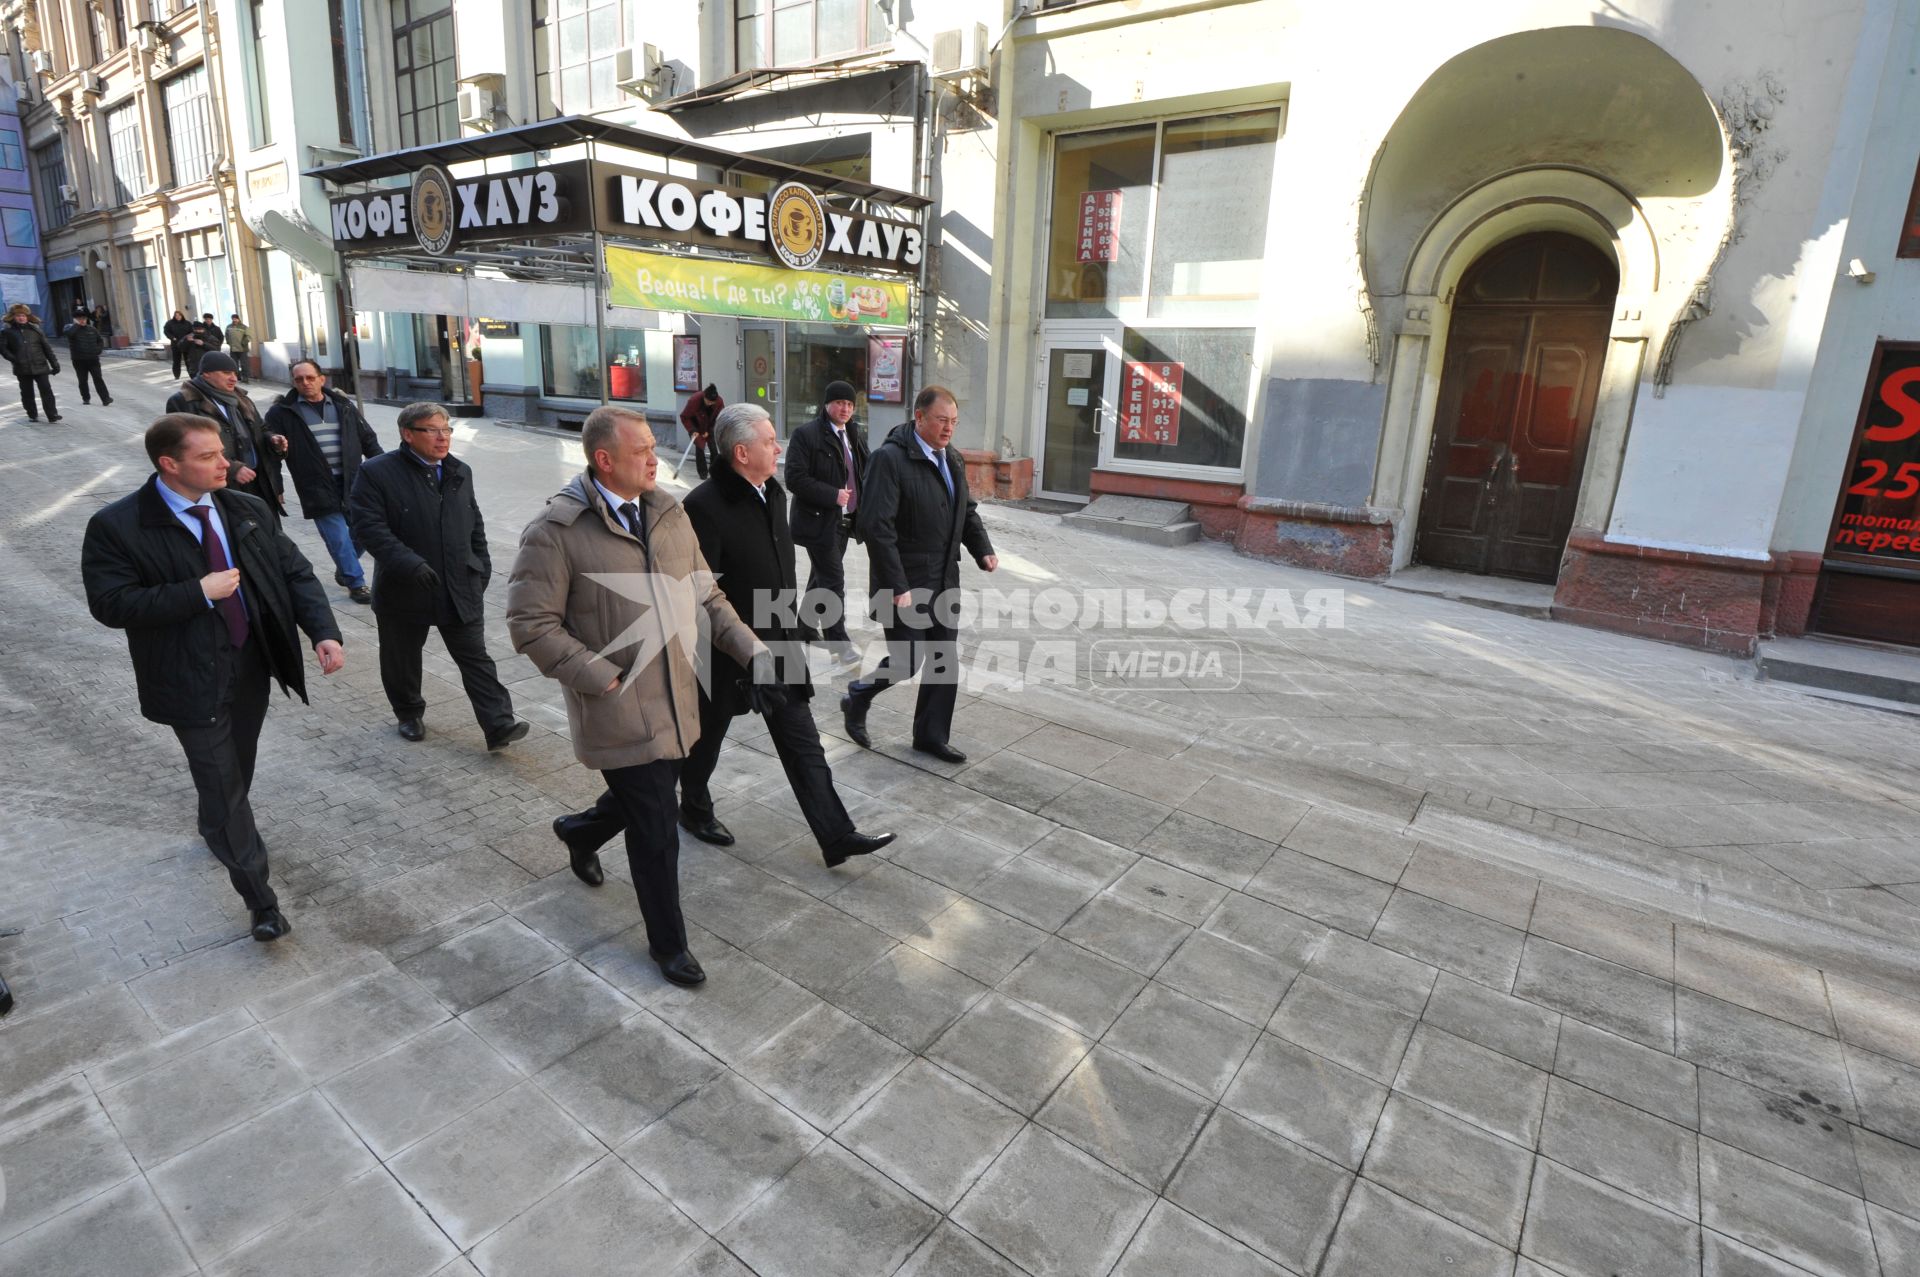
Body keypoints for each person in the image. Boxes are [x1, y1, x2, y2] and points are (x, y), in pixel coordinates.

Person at [556, 403, 895, 873]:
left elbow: (780, 573)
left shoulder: (773, 493)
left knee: (803, 745)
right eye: (769, 441)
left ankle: (836, 836)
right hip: (720, 656)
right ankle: (590, 828)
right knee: (685, 762)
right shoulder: (702, 508)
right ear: (741, 452)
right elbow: (696, 593)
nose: (779, 449)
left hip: (778, 645)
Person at [507, 405, 772, 987]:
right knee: (655, 828)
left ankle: (578, 832)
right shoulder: (556, 532)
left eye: (655, 447)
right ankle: (668, 947)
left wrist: (751, 649)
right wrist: (595, 674)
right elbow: (530, 623)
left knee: (646, 799)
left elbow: (708, 596)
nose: (657, 459)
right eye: (642, 451)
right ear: (604, 460)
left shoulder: (669, 512)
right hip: (619, 707)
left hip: (679, 699)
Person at [81, 414, 345, 941]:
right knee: (223, 786)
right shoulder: (117, 525)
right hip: (186, 679)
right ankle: (260, 900)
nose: (226, 463)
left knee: (234, 771)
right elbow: (110, 603)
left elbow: (293, 571)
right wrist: (198, 591)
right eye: (208, 457)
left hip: (251, 665)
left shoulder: (246, 508)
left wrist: (323, 630)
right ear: (169, 464)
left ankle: (217, 828)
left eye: (222, 452)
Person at [350, 401, 529, 749]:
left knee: (475, 655)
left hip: (459, 582)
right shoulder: (376, 472)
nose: (442, 438)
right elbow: (369, 528)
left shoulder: (460, 470)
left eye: (446, 430)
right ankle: (408, 713)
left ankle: (498, 725)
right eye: (432, 430)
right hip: (406, 585)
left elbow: (474, 522)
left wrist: (482, 566)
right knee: (401, 657)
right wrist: (409, 563)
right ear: (408, 434)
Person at [842, 385, 997, 763]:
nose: (948, 429)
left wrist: (983, 549)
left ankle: (930, 736)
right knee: (907, 660)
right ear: (920, 417)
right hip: (905, 581)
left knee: (944, 659)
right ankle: (858, 695)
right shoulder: (889, 459)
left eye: (954, 422)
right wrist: (897, 585)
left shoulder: (953, 459)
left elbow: (967, 511)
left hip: (944, 577)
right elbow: (876, 526)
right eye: (942, 420)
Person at [267, 358, 382, 605]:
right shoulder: (282, 412)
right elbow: (270, 450)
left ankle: (344, 568)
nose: (305, 383)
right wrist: (276, 484)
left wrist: (386, 471)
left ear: (322, 379)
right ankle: (356, 582)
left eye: (310, 378)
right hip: (315, 484)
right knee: (338, 536)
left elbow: (368, 439)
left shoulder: (344, 405)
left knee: (365, 529)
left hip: (354, 480)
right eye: (299, 379)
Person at [784, 379, 868, 666]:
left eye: (849, 404)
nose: (845, 409)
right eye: (839, 403)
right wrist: (833, 495)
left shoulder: (854, 433)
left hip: (844, 521)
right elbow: (794, 478)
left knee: (820, 576)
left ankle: (805, 627)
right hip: (818, 521)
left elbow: (863, 470)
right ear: (827, 404)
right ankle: (838, 642)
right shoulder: (806, 435)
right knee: (834, 580)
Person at [166, 351, 282, 513]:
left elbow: (261, 428)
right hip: (219, 485)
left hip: (257, 480)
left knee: (267, 532)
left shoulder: (241, 398)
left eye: (235, 373)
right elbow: (185, 447)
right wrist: (232, 469)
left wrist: (273, 439)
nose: (234, 378)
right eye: (226, 373)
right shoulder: (184, 402)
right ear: (206, 373)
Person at [1, 304, 61, 422]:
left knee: (46, 390)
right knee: (27, 393)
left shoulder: (36, 330)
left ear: (27, 317)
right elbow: (3, 349)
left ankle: (52, 414)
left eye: (23, 315)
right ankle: (32, 414)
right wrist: (14, 359)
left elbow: (47, 348)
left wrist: (54, 364)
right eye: (18, 315)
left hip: (40, 366)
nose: (21, 318)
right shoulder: (7, 332)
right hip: (21, 368)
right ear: (13, 317)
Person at [65, 310, 112, 406]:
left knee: (98, 378)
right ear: (75, 320)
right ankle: (86, 398)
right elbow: (69, 334)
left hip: (93, 359)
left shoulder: (92, 329)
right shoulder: (70, 328)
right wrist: (77, 325)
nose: (82, 321)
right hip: (79, 360)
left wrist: (98, 350)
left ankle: (105, 399)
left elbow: (100, 340)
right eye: (79, 319)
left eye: (84, 318)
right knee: (82, 380)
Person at [678, 383, 722, 480]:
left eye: (712, 403)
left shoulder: (719, 402)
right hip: (696, 426)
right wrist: (692, 430)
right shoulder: (694, 400)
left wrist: (710, 431)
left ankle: (714, 472)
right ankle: (703, 473)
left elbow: (719, 418)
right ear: (704, 396)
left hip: (710, 426)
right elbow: (684, 417)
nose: (710, 404)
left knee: (713, 448)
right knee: (700, 448)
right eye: (708, 401)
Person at [164, 310, 193, 378]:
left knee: (188, 361)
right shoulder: (170, 323)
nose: (178, 317)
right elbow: (166, 331)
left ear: (182, 316)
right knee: (176, 361)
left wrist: (189, 338)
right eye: (176, 316)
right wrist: (172, 338)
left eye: (179, 315)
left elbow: (191, 331)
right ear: (174, 316)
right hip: (175, 344)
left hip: (186, 344)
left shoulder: (187, 323)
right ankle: (176, 375)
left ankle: (191, 375)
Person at [225, 313, 252, 381]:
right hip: (233, 349)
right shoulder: (229, 327)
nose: (234, 320)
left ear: (238, 319)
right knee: (234, 364)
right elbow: (226, 335)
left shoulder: (244, 327)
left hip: (242, 349)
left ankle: (245, 378)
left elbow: (249, 336)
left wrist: (243, 343)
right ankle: (237, 377)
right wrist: (229, 342)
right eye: (233, 319)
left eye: (236, 318)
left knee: (244, 364)